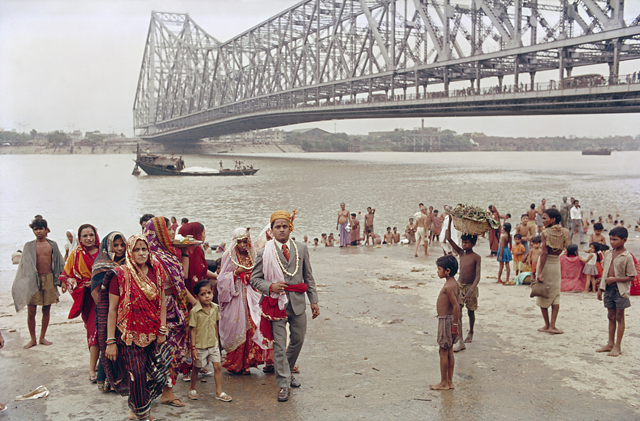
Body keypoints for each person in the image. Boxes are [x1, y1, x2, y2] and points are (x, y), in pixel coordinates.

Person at [250, 210, 319, 402]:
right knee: (279, 346)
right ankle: (283, 384)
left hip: (297, 303)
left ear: (291, 228)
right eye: (277, 227)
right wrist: (270, 286)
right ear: (271, 231)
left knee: (298, 340)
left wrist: (314, 301)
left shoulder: (302, 248)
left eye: (284, 226)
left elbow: (309, 277)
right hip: (275, 305)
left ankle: (286, 373)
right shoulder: (265, 252)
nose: (281, 230)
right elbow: (254, 279)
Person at [101, 234, 171, 420]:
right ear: (129, 252)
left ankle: (135, 406)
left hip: (153, 332)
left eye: (144, 249)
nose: (141, 253)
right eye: (136, 249)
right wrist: (110, 341)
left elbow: (162, 303)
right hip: (128, 335)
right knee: (137, 373)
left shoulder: (156, 271)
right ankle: (143, 414)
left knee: (157, 372)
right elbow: (113, 310)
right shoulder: (120, 274)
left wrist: (162, 330)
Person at [145, 216, 196, 407]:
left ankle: (168, 392)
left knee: (174, 351)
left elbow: (182, 276)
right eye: (169, 228)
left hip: (174, 306)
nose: (173, 231)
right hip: (157, 308)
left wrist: (184, 251)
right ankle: (144, 395)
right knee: (155, 352)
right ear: (159, 232)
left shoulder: (167, 253)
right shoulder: (148, 256)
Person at [217, 228, 266, 374]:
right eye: (240, 242)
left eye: (246, 241)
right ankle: (237, 364)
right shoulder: (229, 255)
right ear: (235, 242)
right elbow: (221, 278)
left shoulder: (253, 253)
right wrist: (235, 274)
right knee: (237, 327)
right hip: (236, 295)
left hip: (252, 294)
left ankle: (249, 362)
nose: (243, 244)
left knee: (254, 326)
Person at [11, 217, 64, 349]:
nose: (38, 231)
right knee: (31, 311)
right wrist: (22, 283)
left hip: (49, 279)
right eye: (36, 229)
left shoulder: (52, 245)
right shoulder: (29, 246)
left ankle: (42, 337)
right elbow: (24, 266)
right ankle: (32, 339)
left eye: (41, 229)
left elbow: (59, 263)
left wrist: (61, 280)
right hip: (33, 280)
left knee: (46, 309)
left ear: (46, 230)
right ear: (33, 231)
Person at [59, 224, 101, 382]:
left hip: (104, 295)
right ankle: (92, 367)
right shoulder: (77, 253)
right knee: (93, 330)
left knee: (102, 330)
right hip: (87, 298)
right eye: (85, 236)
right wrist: (70, 281)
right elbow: (67, 273)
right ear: (79, 238)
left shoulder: (103, 251)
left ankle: (98, 367)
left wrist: (95, 282)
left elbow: (112, 271)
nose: (88, 238)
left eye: (91, 234)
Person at [90, 231, 126, 393]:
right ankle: (106, 380)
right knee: (108, 344)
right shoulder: (101, 265)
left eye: (122, 245)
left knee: (122, 345)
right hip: (106, 311)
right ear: (107, 247)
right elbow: (95, 292)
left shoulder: (127, 263)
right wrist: (107, 309)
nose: (119, 249)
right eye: (115, 245)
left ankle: (120, 379)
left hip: (124, 311)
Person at [188, 280, 232, 402]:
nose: (207, 296)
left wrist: (218, 344)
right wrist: (193, 348)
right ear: (197, 296)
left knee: (217, 367)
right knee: (197, 368)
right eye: (203, 294)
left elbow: (215, 326)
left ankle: (219, 392)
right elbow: (193, 329)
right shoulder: (195, 312)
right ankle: (192, 388)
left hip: (213, 344)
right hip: (200, 345)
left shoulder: (215, 308)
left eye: (209, 292)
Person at [596, 227, 636, 357]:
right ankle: (610, 343)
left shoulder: (627, 257)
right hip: (608, 289)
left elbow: (631, 277)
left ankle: (618, 345)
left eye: (615, 239)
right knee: (610, 316)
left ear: (624, 240)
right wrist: (600, 289)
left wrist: (615, 279)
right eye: (610, 239)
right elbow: (605, 272)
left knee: (619, 316)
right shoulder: (608, 254)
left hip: (621, 290)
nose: (612, 242)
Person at [445, 218, 481, 353]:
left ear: (472, 244)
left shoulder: (476, 257)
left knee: (470, 311)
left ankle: (471, 331)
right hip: (460, 286)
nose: (464, 245)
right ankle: (460, 340)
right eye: (463, 242)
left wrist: (471, 291)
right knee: (458, 312)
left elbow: (478, 276)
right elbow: (448, 238)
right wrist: (449, 219)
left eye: (466, 243)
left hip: (471, 287)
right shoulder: (460, 253)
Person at [535, 209, 570, 334]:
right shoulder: (565, 232)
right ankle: (553, 326)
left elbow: (544, 253)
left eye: (545, 218)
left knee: (543, 292)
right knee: (555, 294)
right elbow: (566, 248)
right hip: (556, 263)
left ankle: (546, 324)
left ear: (553, 219)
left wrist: (540, 272)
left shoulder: (545, 232)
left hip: (546, 264)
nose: (542, 221)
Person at [429, 255, 460, 391]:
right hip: (450, 320)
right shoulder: (454, 283)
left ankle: (443, 382)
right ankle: (449, 381)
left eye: (439, 269)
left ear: (447, 271)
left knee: (443, 351)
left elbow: (456, 306)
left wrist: (454, 325)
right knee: (449, 351)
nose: (437, 271)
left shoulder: (448, 286)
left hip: (446, 321)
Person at [179, 222, 217, 295]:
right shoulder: (183, 254)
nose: (205, 236)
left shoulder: (198, 251)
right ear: (197, 235)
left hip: (201, 293)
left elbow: (202, 270)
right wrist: (194, 302)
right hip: (188, 295)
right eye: (204, 233)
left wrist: (217, 277)